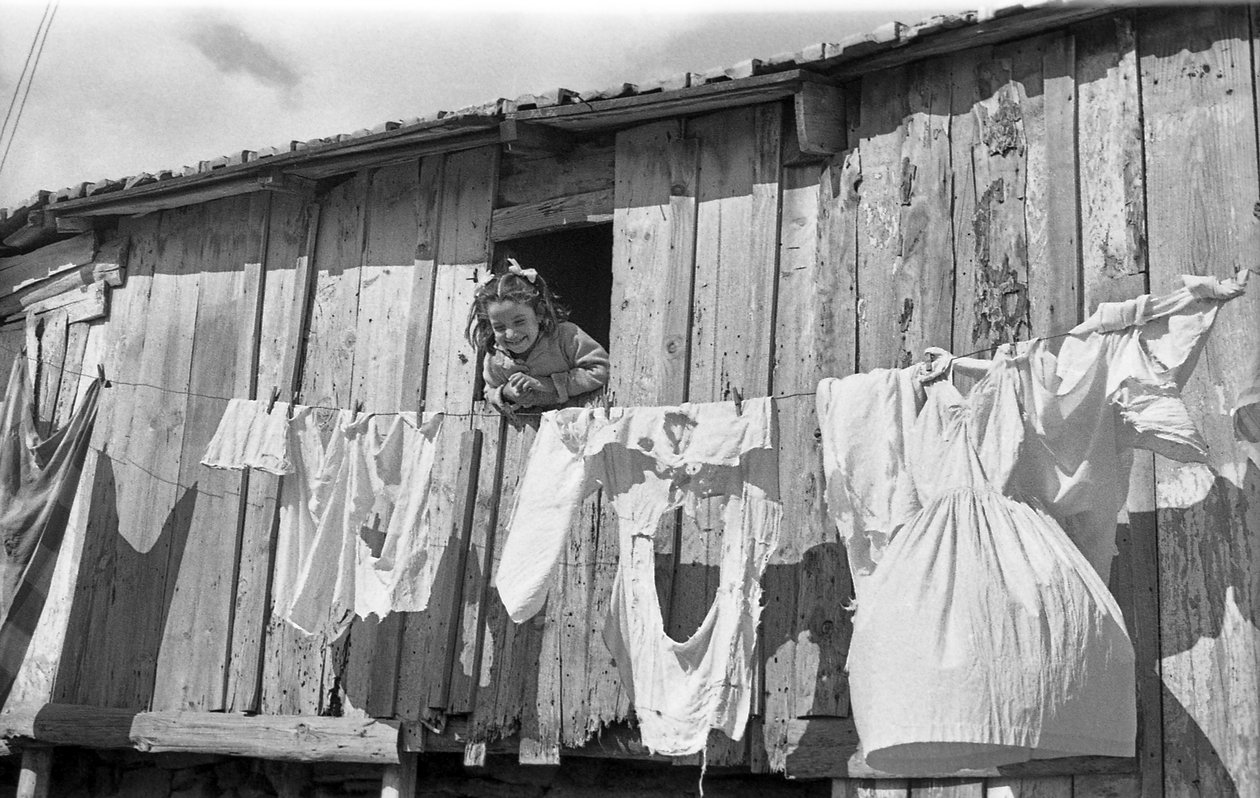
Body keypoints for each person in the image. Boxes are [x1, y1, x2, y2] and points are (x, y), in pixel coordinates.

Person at [466, 260, 610, 415]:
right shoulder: (496, 357)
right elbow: (489, 392)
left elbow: (602, 369)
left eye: (519, 322)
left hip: (579, 423)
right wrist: (506, 393)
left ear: (539, 313)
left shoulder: (566, 336)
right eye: (499, 327)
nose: (511, 334)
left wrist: (550, 384)